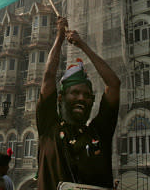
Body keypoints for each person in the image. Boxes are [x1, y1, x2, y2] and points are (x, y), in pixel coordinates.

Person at [37, 17, 121, 190]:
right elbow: (48, 77)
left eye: (87, 95)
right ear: (60, 98)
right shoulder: (49, 128)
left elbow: (113, 84)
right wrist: (60, 37)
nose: (82, 98)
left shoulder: (99, 132)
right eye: (75, 93)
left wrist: (83, 45)